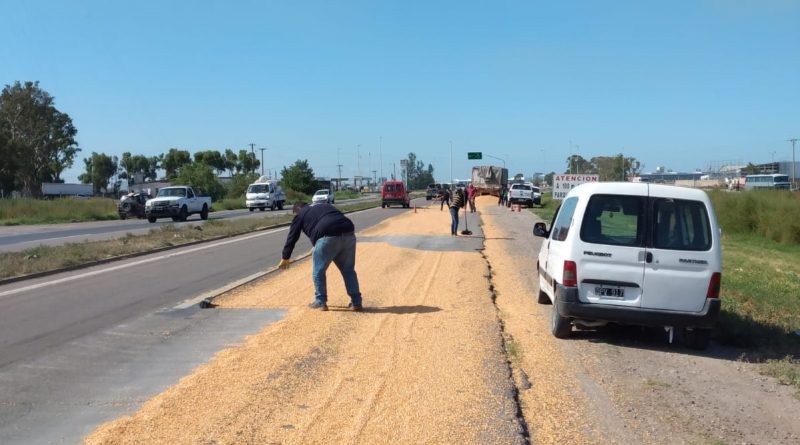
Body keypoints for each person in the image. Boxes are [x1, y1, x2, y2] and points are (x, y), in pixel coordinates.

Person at [279, 202, 363, 312]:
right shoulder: (324, 206)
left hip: (327, 237)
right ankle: (356, 302)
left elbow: (292, 237)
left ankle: (321, 301)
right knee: (348, 270)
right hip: (349, 233)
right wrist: (318, 243)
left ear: (297, 211)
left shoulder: (300, 215)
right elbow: (333, 219)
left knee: (318, 271)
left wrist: (285, 257)